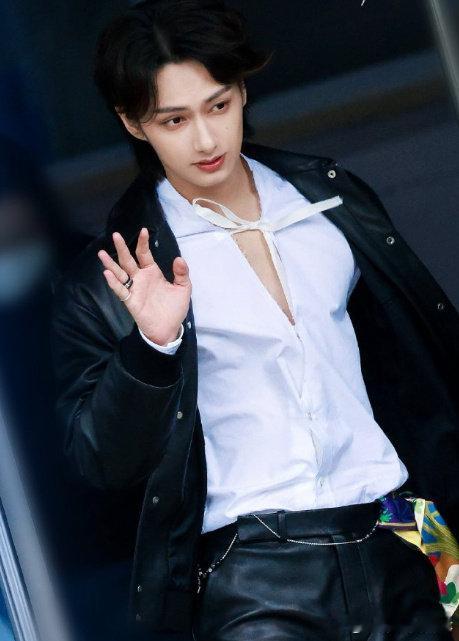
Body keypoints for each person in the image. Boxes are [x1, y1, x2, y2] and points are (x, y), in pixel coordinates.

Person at [51, 1, 459, 639]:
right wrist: (152, 346)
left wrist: (440, 534)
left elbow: (416, 371)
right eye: (174, 120)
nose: (206, 139)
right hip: (256, 569)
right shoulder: (117, 276)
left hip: (400, 527)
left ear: (242, 91)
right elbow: (100, 461)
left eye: (218, 105)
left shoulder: (328, 204)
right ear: (133, 123)